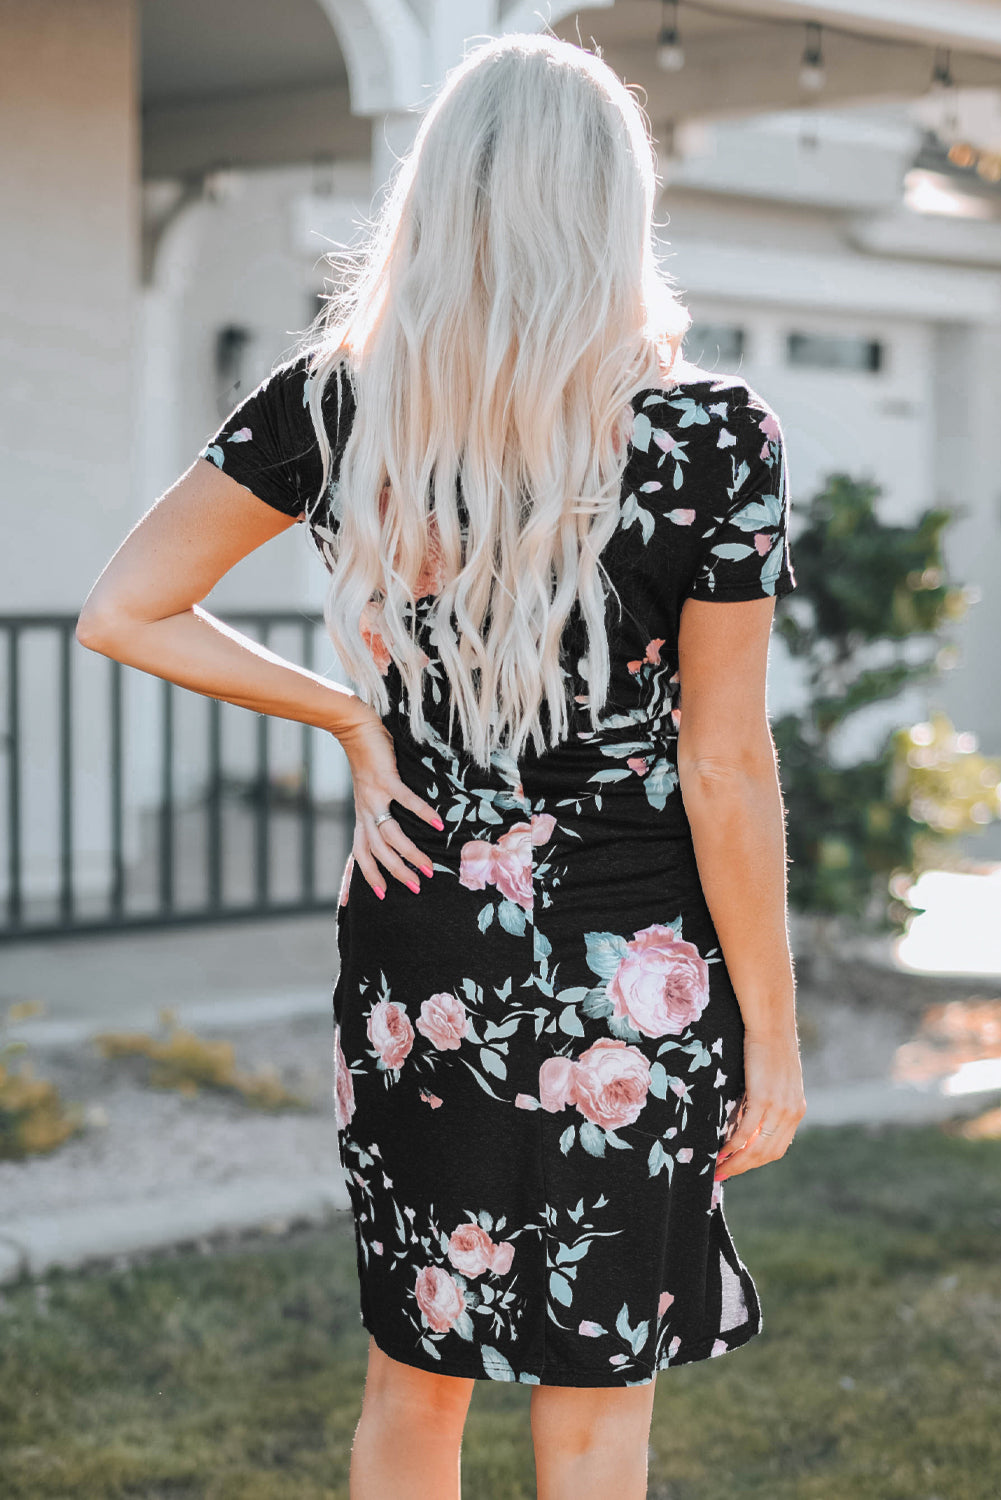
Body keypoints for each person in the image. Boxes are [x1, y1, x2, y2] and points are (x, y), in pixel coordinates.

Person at [76, 29, 807, 1500]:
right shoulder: (710, 437)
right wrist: (775, 1046)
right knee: (596, 1402)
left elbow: (125, 609)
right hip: (632, 962)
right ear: (611, 202)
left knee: (417, 1379)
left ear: (441, 194)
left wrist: (356, 724)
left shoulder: (338, 405)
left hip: (422, 941)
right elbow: (722, 768)